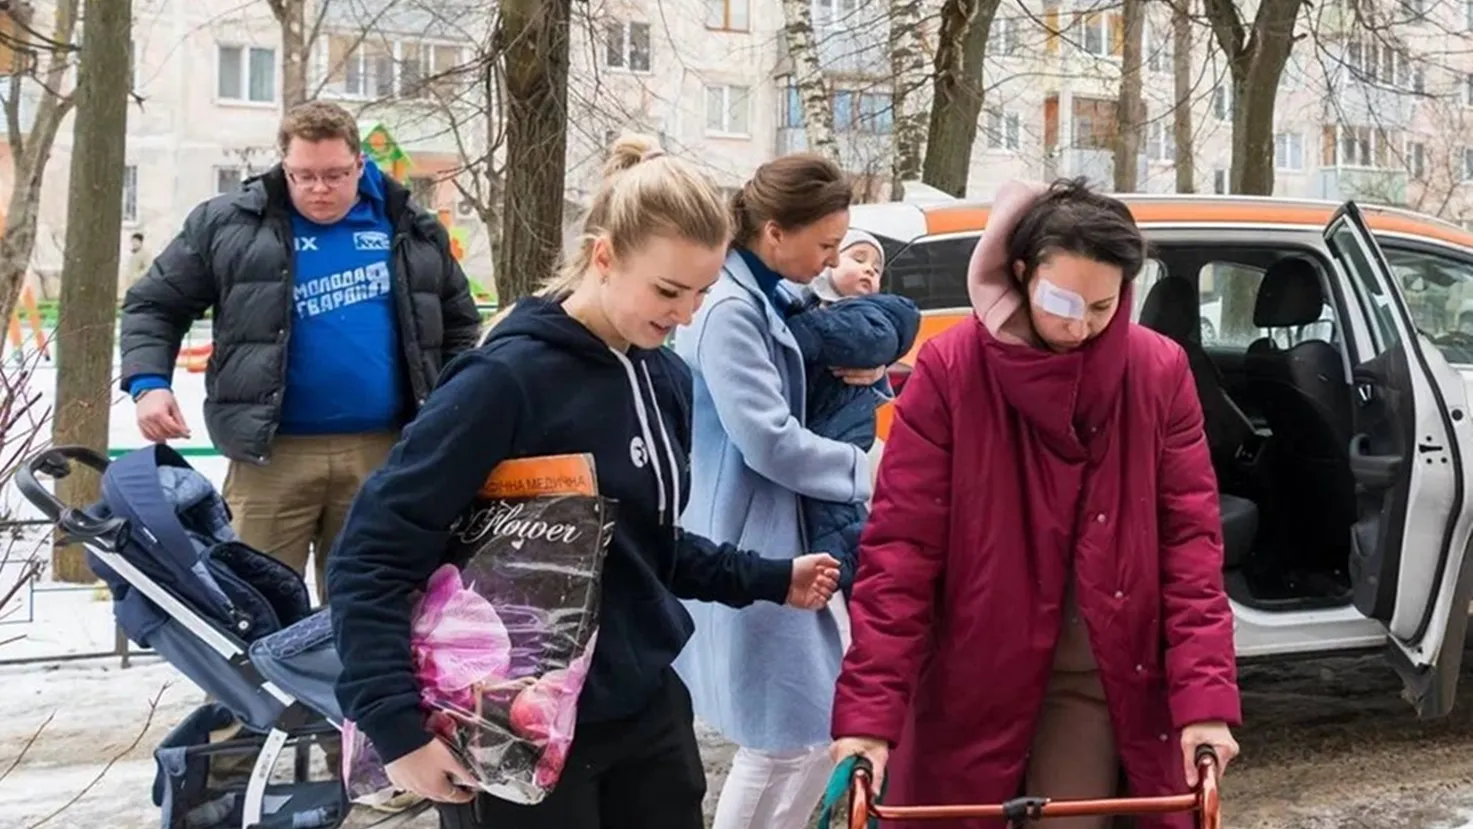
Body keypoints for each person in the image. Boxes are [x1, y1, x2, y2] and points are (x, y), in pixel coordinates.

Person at [325, 133, 843, 829]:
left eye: (701, 291)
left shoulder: (665, 375)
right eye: (667, 289)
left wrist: (766, 575)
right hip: (515, 719)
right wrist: (396, 726)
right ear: (604, 256)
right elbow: (374, 552)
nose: (686, 314)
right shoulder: (505, 381)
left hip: (644, 706)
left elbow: (638, 545)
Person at [829, 178, 1242, 829]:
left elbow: (1188, 549)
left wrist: (1203, 701)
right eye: (1061, 300)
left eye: (1103, 306)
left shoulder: (1156, 372)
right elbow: (900, 553)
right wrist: (868, 720)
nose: (1079, 325)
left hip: (1092, 680)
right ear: (1020, 273)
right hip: (968, 676)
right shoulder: (950, 370)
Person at [118, 100, 481, 602]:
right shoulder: (230, 224)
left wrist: (451, 409)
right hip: (270, 458)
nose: (318, 189)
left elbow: (460, 327)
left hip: (383, 455)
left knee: (368, 618)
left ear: (360, 165)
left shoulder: (409, 227)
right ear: (282, 165)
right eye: (303, 175)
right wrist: (148, 384)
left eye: (335, 175)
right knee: (250, 614)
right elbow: (153, 305)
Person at [672, 153, 886, 829]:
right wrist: (869, 472)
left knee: (806, 730)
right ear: (773, 231)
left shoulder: (764, 292)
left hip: (763, 528)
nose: (830, 260)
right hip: (747, 533)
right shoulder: (732, 309)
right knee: (785, 736)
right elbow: (768, 440)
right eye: (823, 244)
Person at [786, 230, 919, 595]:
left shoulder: (871, 313)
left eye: (876, 268)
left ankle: (840, 581)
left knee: (838, 522)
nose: (868, 271)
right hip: (816, 439)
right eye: (857, 258)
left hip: (841, 439)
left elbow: (863, 337)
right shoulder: (802, 302)